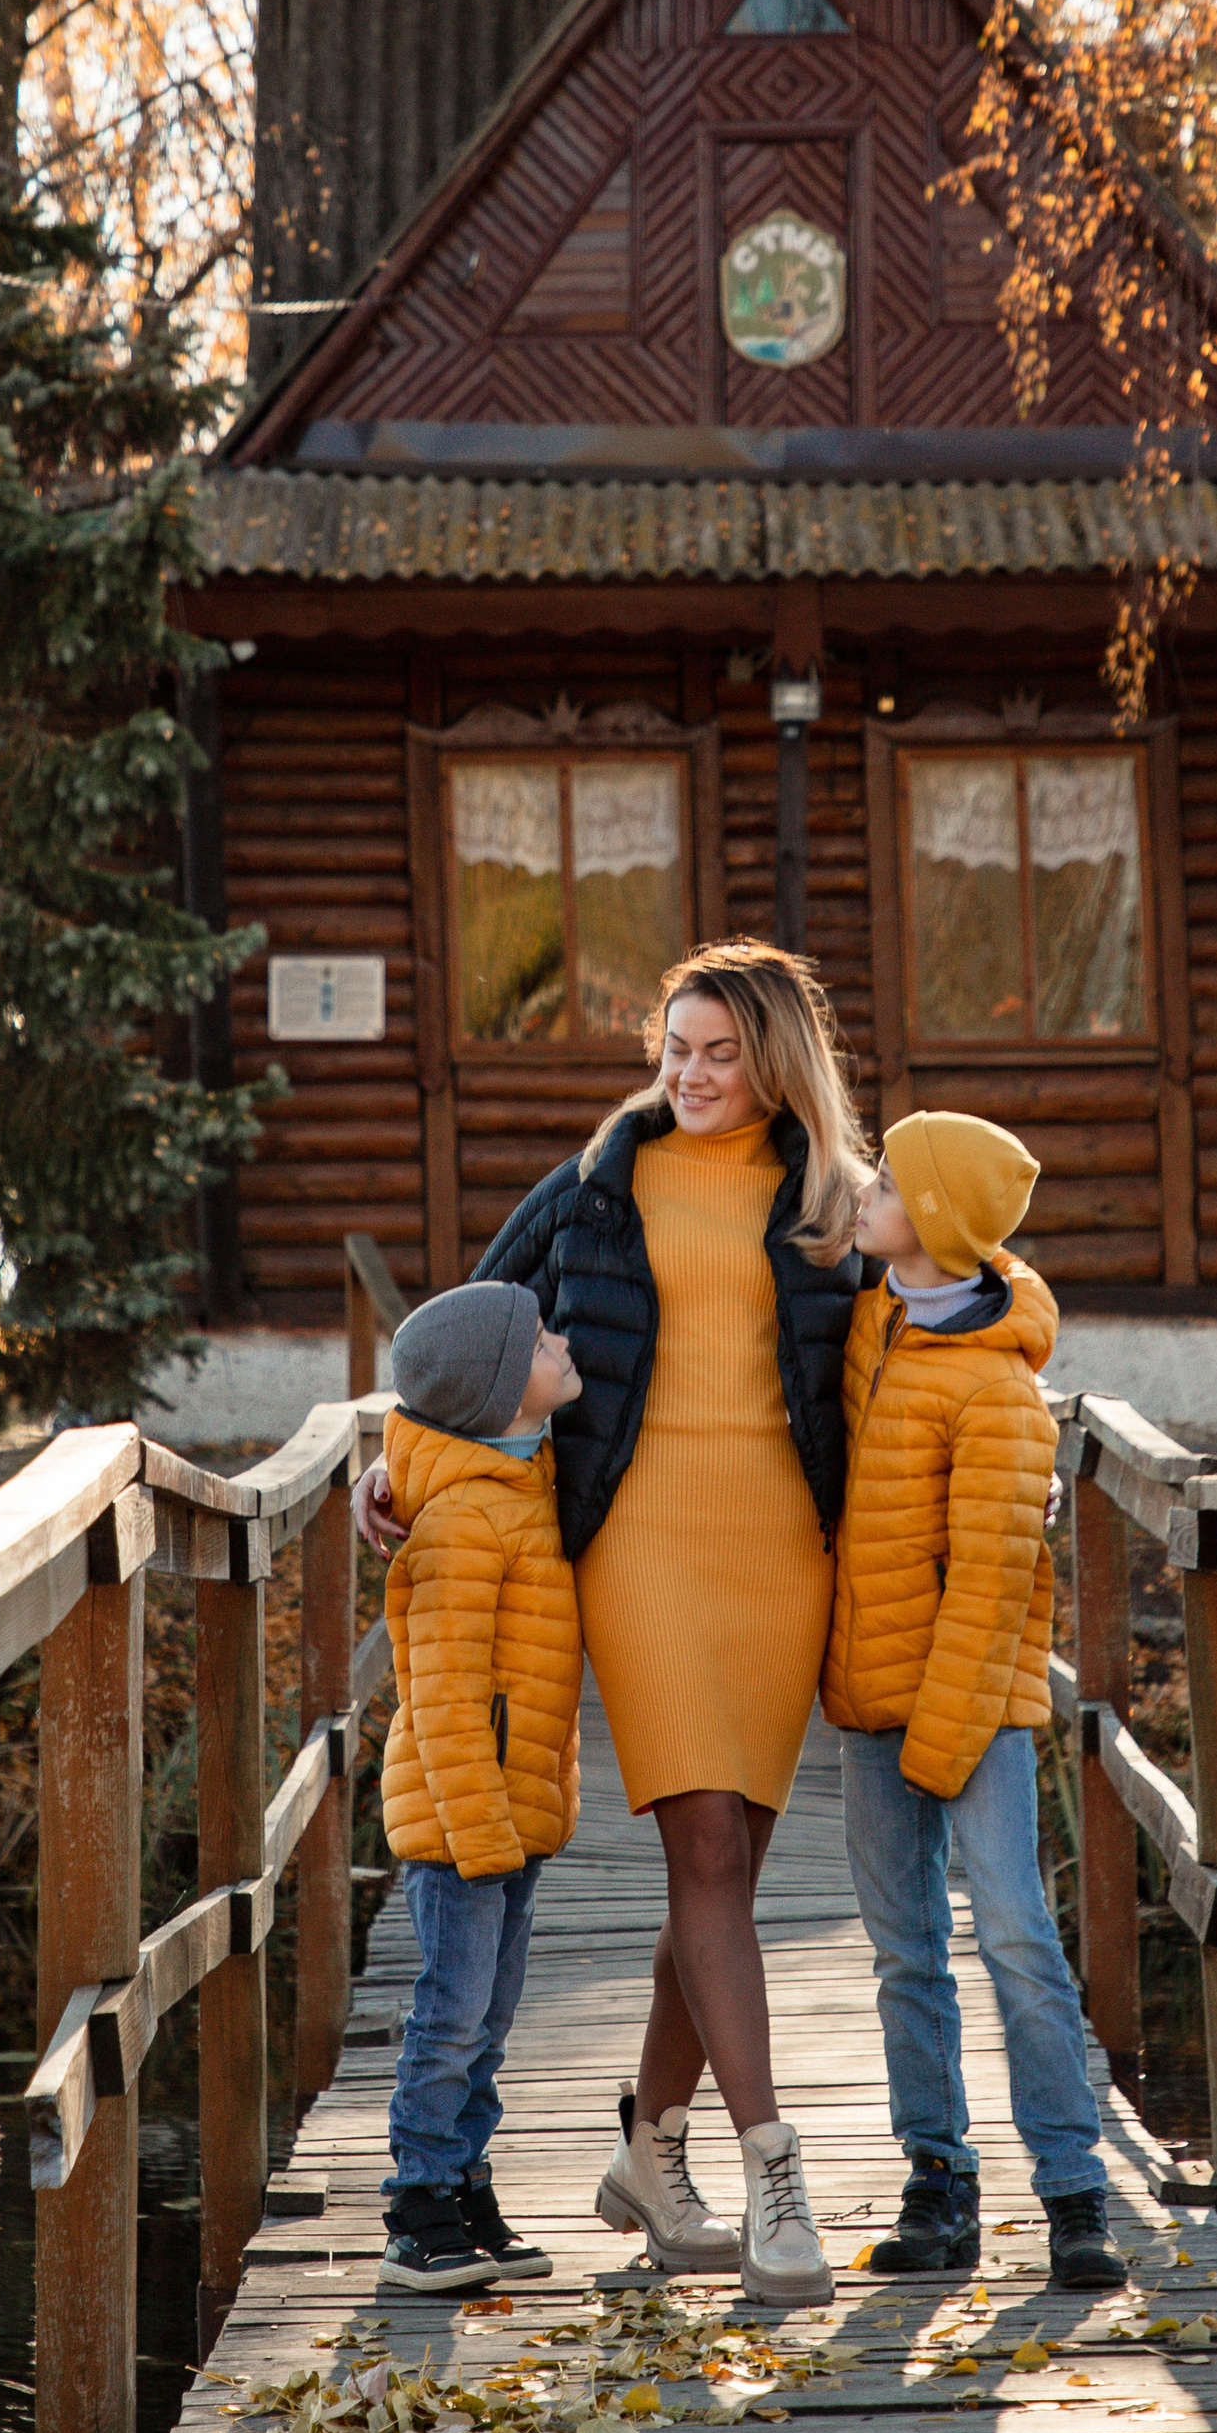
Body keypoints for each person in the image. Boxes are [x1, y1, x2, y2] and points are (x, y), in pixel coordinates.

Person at [360, 941, 865, 2305]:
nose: (689, 1076)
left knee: (727, 1881)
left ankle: (649, 2158)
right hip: (638, 1548)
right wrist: (389, 1470)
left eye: (718, 1055)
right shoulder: (597, 1182)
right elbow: (457, 1348)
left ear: (774, 1063)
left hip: (784, 1558)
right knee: (704, 1847)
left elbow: (923, 1335)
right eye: (675, 1050)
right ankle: (774, 2177)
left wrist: (1020, 1460)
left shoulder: (831, 1197)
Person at [823, 1109, 1128, 2290]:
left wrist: (938, 1742)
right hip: (871, 1694)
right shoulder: (872, 1325)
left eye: (886, 1184)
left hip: (972, 1710)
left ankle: (1073, 2191)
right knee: (904, 1950)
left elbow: (994, 1587)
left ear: (936, 1220)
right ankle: (938, 2182)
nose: (864, 1194)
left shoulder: (997, 1391)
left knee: (1011, 1933)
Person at [375, 1279, 586, 2294]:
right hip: (467, 1822)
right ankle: (416, 2205)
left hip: (514, 1808)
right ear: (500, 1393)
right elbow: (444, 1699)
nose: (563, 1342)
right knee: (451, 2015)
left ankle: (463, 2182)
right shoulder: (463, 1521)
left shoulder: (525, 1478)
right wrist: (482, 1832)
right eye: (541, 1341)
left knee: (489, 2021)